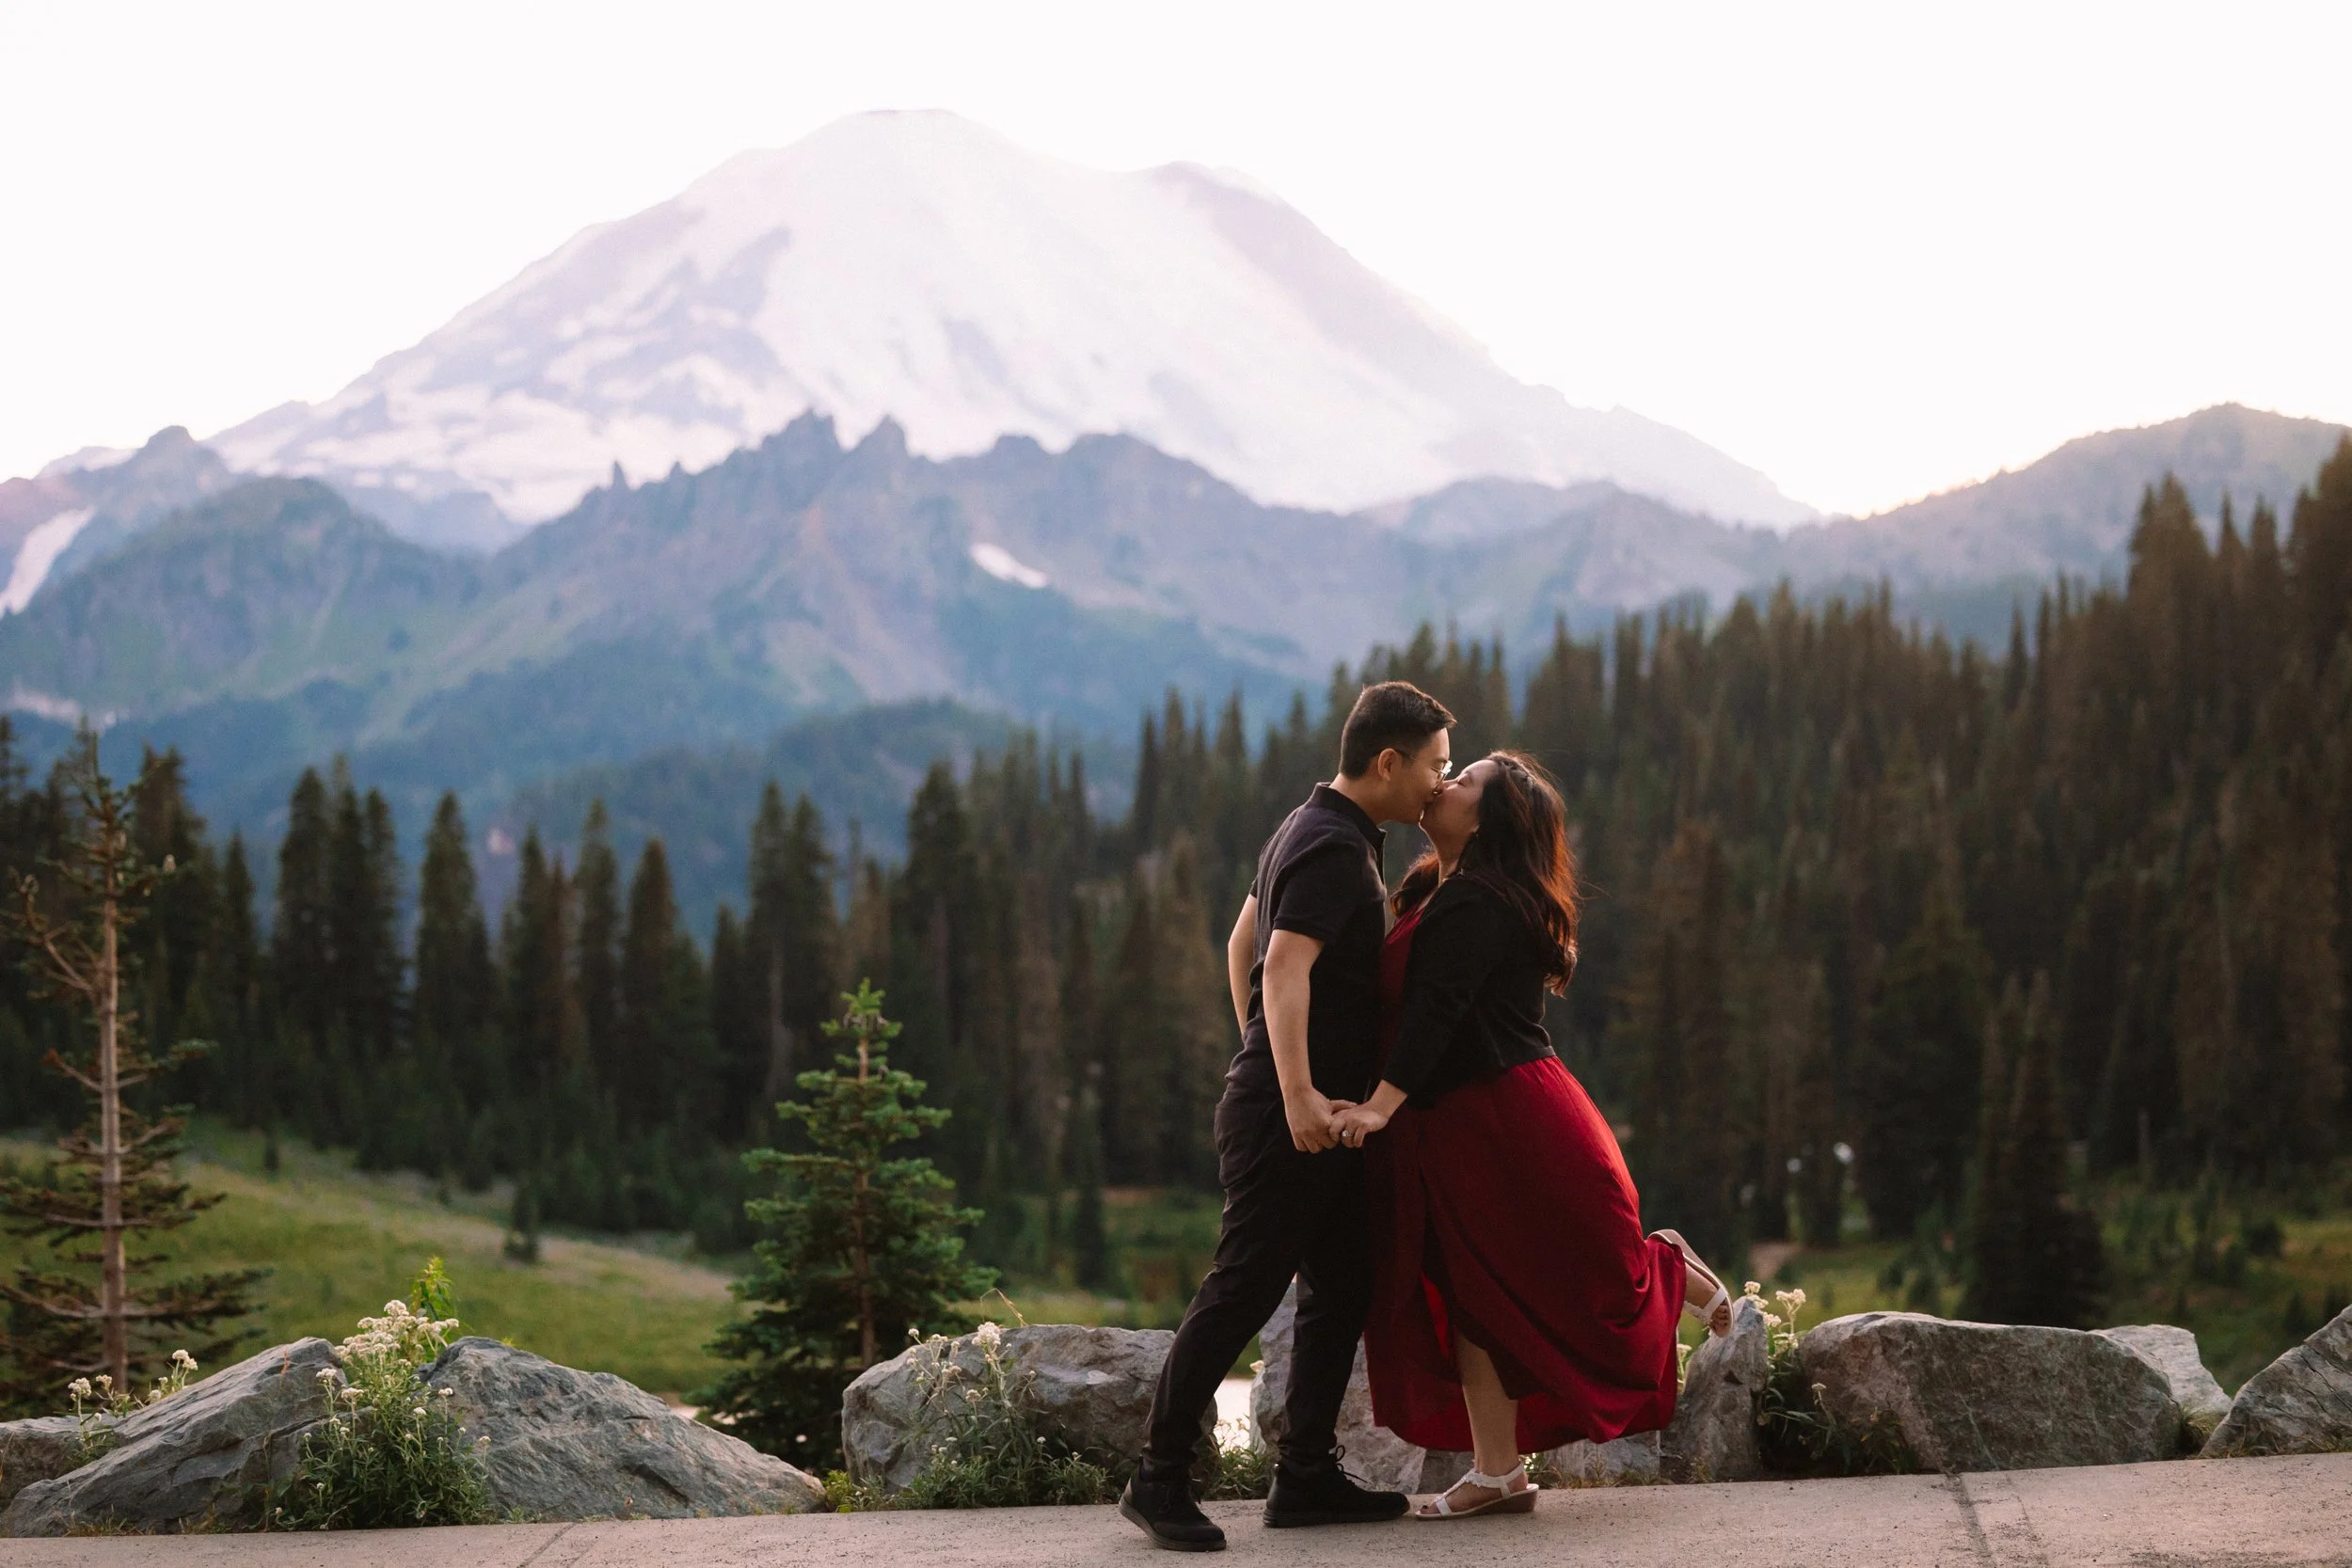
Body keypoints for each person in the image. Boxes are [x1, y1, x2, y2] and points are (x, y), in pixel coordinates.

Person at [1330, 751, 1736, 1520]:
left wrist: (1380, 1106)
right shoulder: (1429, 889)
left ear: (1489, 818)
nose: (1445, 783)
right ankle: (1499, 1472)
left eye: (1465, 780)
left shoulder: (1482, 900)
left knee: (1595, 1285)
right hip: (1453, 1127)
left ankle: (1670, 1266)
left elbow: (1435, 1014)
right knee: (1471, 1294)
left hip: (1515, 1120)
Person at [1120, 681, 1456, 1553]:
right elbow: (1278, 965)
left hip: (1309, 1110)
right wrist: (1291, 1089)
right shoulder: (1330, 849)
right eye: (1435, 766)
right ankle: (1156, 1477)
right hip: (1290, 1118)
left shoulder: (1315, 829)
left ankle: (1303, 1472)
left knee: (1341, 1283)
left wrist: (1267, 1055)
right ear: (1388, 761)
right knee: (1242, 1287)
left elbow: (1241, 943)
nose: (1439, 784)